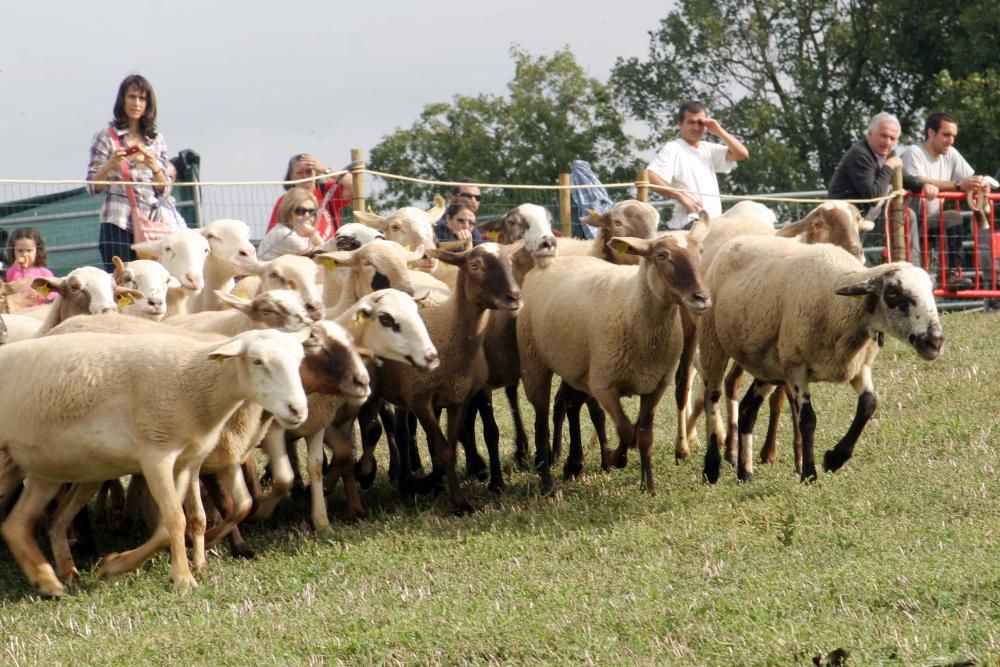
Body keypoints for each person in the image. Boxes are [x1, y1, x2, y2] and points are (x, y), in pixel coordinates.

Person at [900, 112, 994, 290]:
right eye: (946, 135)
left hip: (932, 221)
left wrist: (981, 185)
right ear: (931, 133)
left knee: (952, 216)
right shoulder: (914, 153)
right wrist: (959, 185)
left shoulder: (951, 153)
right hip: (909, 222)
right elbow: (919, 181)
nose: (951, 141)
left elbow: (969, 180)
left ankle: (951, 276)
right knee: (915, 277)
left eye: (953, 136)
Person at [87, 74, 170, 271]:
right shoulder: (106, 137)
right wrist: (110, 164)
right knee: (121, 282)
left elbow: (164, 189)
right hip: (117, 221)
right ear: (122, 100)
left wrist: (153, 164)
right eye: (132, 97)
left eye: (142, 98)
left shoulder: (156, 139)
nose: (137, 103)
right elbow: (92, 186)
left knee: (152, 283)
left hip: (152, 223)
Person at [646, 101, 750, 230]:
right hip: (689, 224)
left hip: (714, 224)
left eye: (700, 123)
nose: (696, 127)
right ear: (680, 124)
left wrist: (719, 131)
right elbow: (650, 176)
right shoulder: (674, 148)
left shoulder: (708, 149)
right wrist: (681, 196)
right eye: (691, 122)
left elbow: (742, 154)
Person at [265, 154, 357, 242]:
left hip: (331, 253)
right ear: (291, 176)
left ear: (316, 173)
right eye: (300, 173)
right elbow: (273, 234)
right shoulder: (285, 201)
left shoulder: (328, 191)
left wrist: (326, 170)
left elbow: (355, 185)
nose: (305, 176)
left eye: (309, 171)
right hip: (299, 254)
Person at [257, 188, 324, 260]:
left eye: (311, 212)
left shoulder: (299, 234)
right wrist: (314, 235)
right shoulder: (284, 234)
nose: (307, 216)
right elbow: (324, 255)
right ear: (288, 213)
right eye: (300, 211)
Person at [5, 227, 56, 307]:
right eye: (20, 250)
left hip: (38, 311)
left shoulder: (43, 272)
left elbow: (52, 295)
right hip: (19, 311)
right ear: (13, 251)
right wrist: (15, 268)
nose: (24, 254)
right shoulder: (13, 271)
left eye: (29, 250)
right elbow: (10, 283)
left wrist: (39, 295)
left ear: (37, 250)